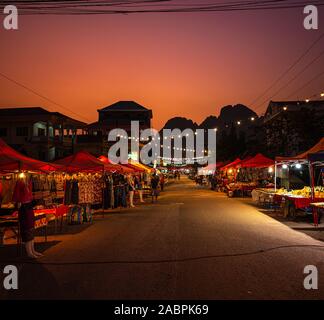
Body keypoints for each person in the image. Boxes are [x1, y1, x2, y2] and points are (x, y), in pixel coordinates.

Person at [13, 175, 43, 259]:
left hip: (29, 207)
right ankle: (29, 252)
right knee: (26, 229)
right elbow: (17, 196)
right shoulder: (19, 182)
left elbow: (29, 195)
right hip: (24, 209)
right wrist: (18, 203)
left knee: (31, 228)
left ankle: (33, 250)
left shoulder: (29, 182)